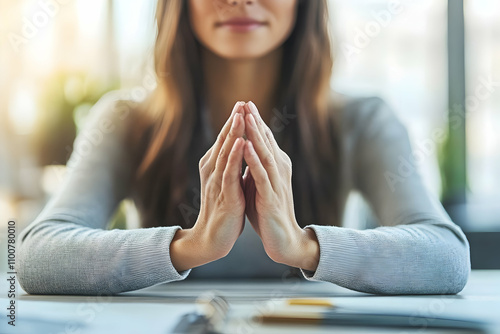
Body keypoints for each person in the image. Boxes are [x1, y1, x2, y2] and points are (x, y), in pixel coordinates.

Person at [18, 0, 470, 295]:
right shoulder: (125, 120)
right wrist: (191, 246)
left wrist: (301, 246)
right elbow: (37, 255)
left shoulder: (363, 119)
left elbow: (446, 255)